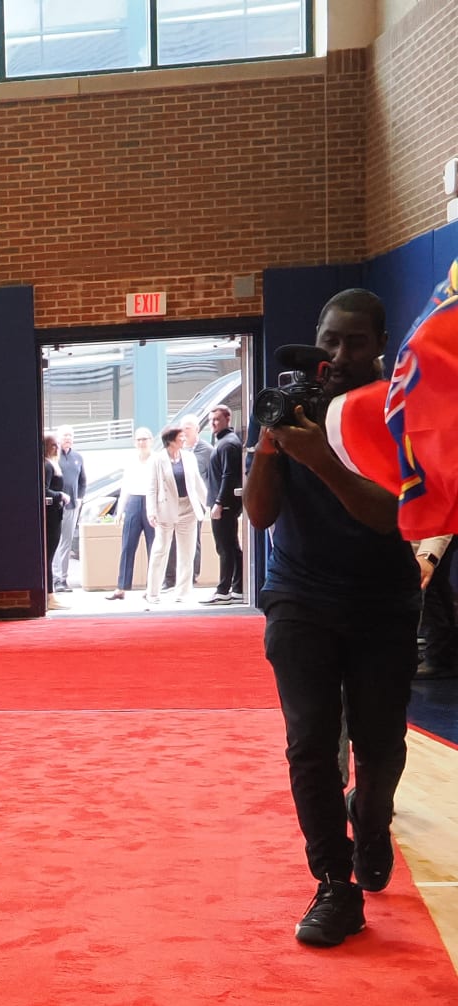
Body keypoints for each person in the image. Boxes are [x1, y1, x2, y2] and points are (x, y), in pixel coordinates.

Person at [243, 288, 420, 947]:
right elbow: (259, 516)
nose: (339, 354)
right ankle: (334, 884)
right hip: (300, 597)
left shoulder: (396, 412)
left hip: (381, 601)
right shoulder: (293, 406)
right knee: (310, 743)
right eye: (330, 339)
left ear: (379, 342)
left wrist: (321, 458)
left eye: (353, 341)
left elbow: (392, 516)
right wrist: (269, 446)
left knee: (380, 747)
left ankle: (371, 821)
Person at [144, 424, 209, 607]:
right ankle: (153, 592)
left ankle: (183, 592)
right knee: (160, 550)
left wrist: (208, 505)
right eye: (180, 436)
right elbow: (151, 488)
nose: (183, 439)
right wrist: (152, 511)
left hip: (188, 508)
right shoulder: (157, 460)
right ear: (170, 440)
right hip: (166, 510)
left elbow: (197, 483)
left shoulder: (189, 457)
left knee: (187, 552)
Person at [204, 405, 245, 604]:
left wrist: (219, 503)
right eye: (212, 420)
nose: (213, 423)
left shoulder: (227, 444)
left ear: (227, 419)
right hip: (227, 503)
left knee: (225, 547)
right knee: (231, 546)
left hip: (225, 504)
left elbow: (228, 476)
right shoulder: (227, 442)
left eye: (217, 419)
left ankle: (223, 590)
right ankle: (237, 587)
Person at [110, 428, 157, 600]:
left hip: (152, 503)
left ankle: (152, 587)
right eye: (138, 440)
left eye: (145, 439)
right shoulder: (131, 461)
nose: (142, 442)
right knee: (127, 545)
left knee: (154, 547)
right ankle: (121, 587)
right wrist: (120, 511)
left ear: (151, 440)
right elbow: (126, 487)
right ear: (134, 442)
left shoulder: (157, 460)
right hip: (134, 502)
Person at [415, 535, 454, 678]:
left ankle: (439, 658)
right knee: (434, 585)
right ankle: (440, 656)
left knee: (432, 583)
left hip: (441, 524)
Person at [52, 426, 86, 591]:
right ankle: (54, 577)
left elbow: (83, 481)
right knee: (55, 542)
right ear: (58, 437)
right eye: (65, 435)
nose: (68, 438)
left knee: (66, 542)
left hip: (72, 506)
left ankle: (62, 579)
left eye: (71, 435)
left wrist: (79, 498)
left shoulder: (78, 457)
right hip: (55, 507)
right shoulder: (52, 457)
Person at [42, 435, 67, 597]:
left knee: (50, 554)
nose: (56, 448)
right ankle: (49, 594)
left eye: (57, 445)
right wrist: (60, 495)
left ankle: (50, 594)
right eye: (52, 445)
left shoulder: (53, 464)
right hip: (51, 515)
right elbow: (43, 490)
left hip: (56, 513)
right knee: (49, 555)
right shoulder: (47, 466)